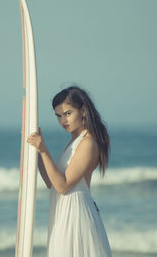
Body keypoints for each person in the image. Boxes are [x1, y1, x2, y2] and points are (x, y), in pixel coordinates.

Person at [27, 86, 112, 257]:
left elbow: (63, 186)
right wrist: (36, 152)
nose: (63, 120)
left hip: (76, 216)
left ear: (83, 110)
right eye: (58, 116)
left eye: (67, 113)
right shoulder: (73, 142)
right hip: (63, 212)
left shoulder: (88, 142)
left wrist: (44, 151)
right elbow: (51, 182)